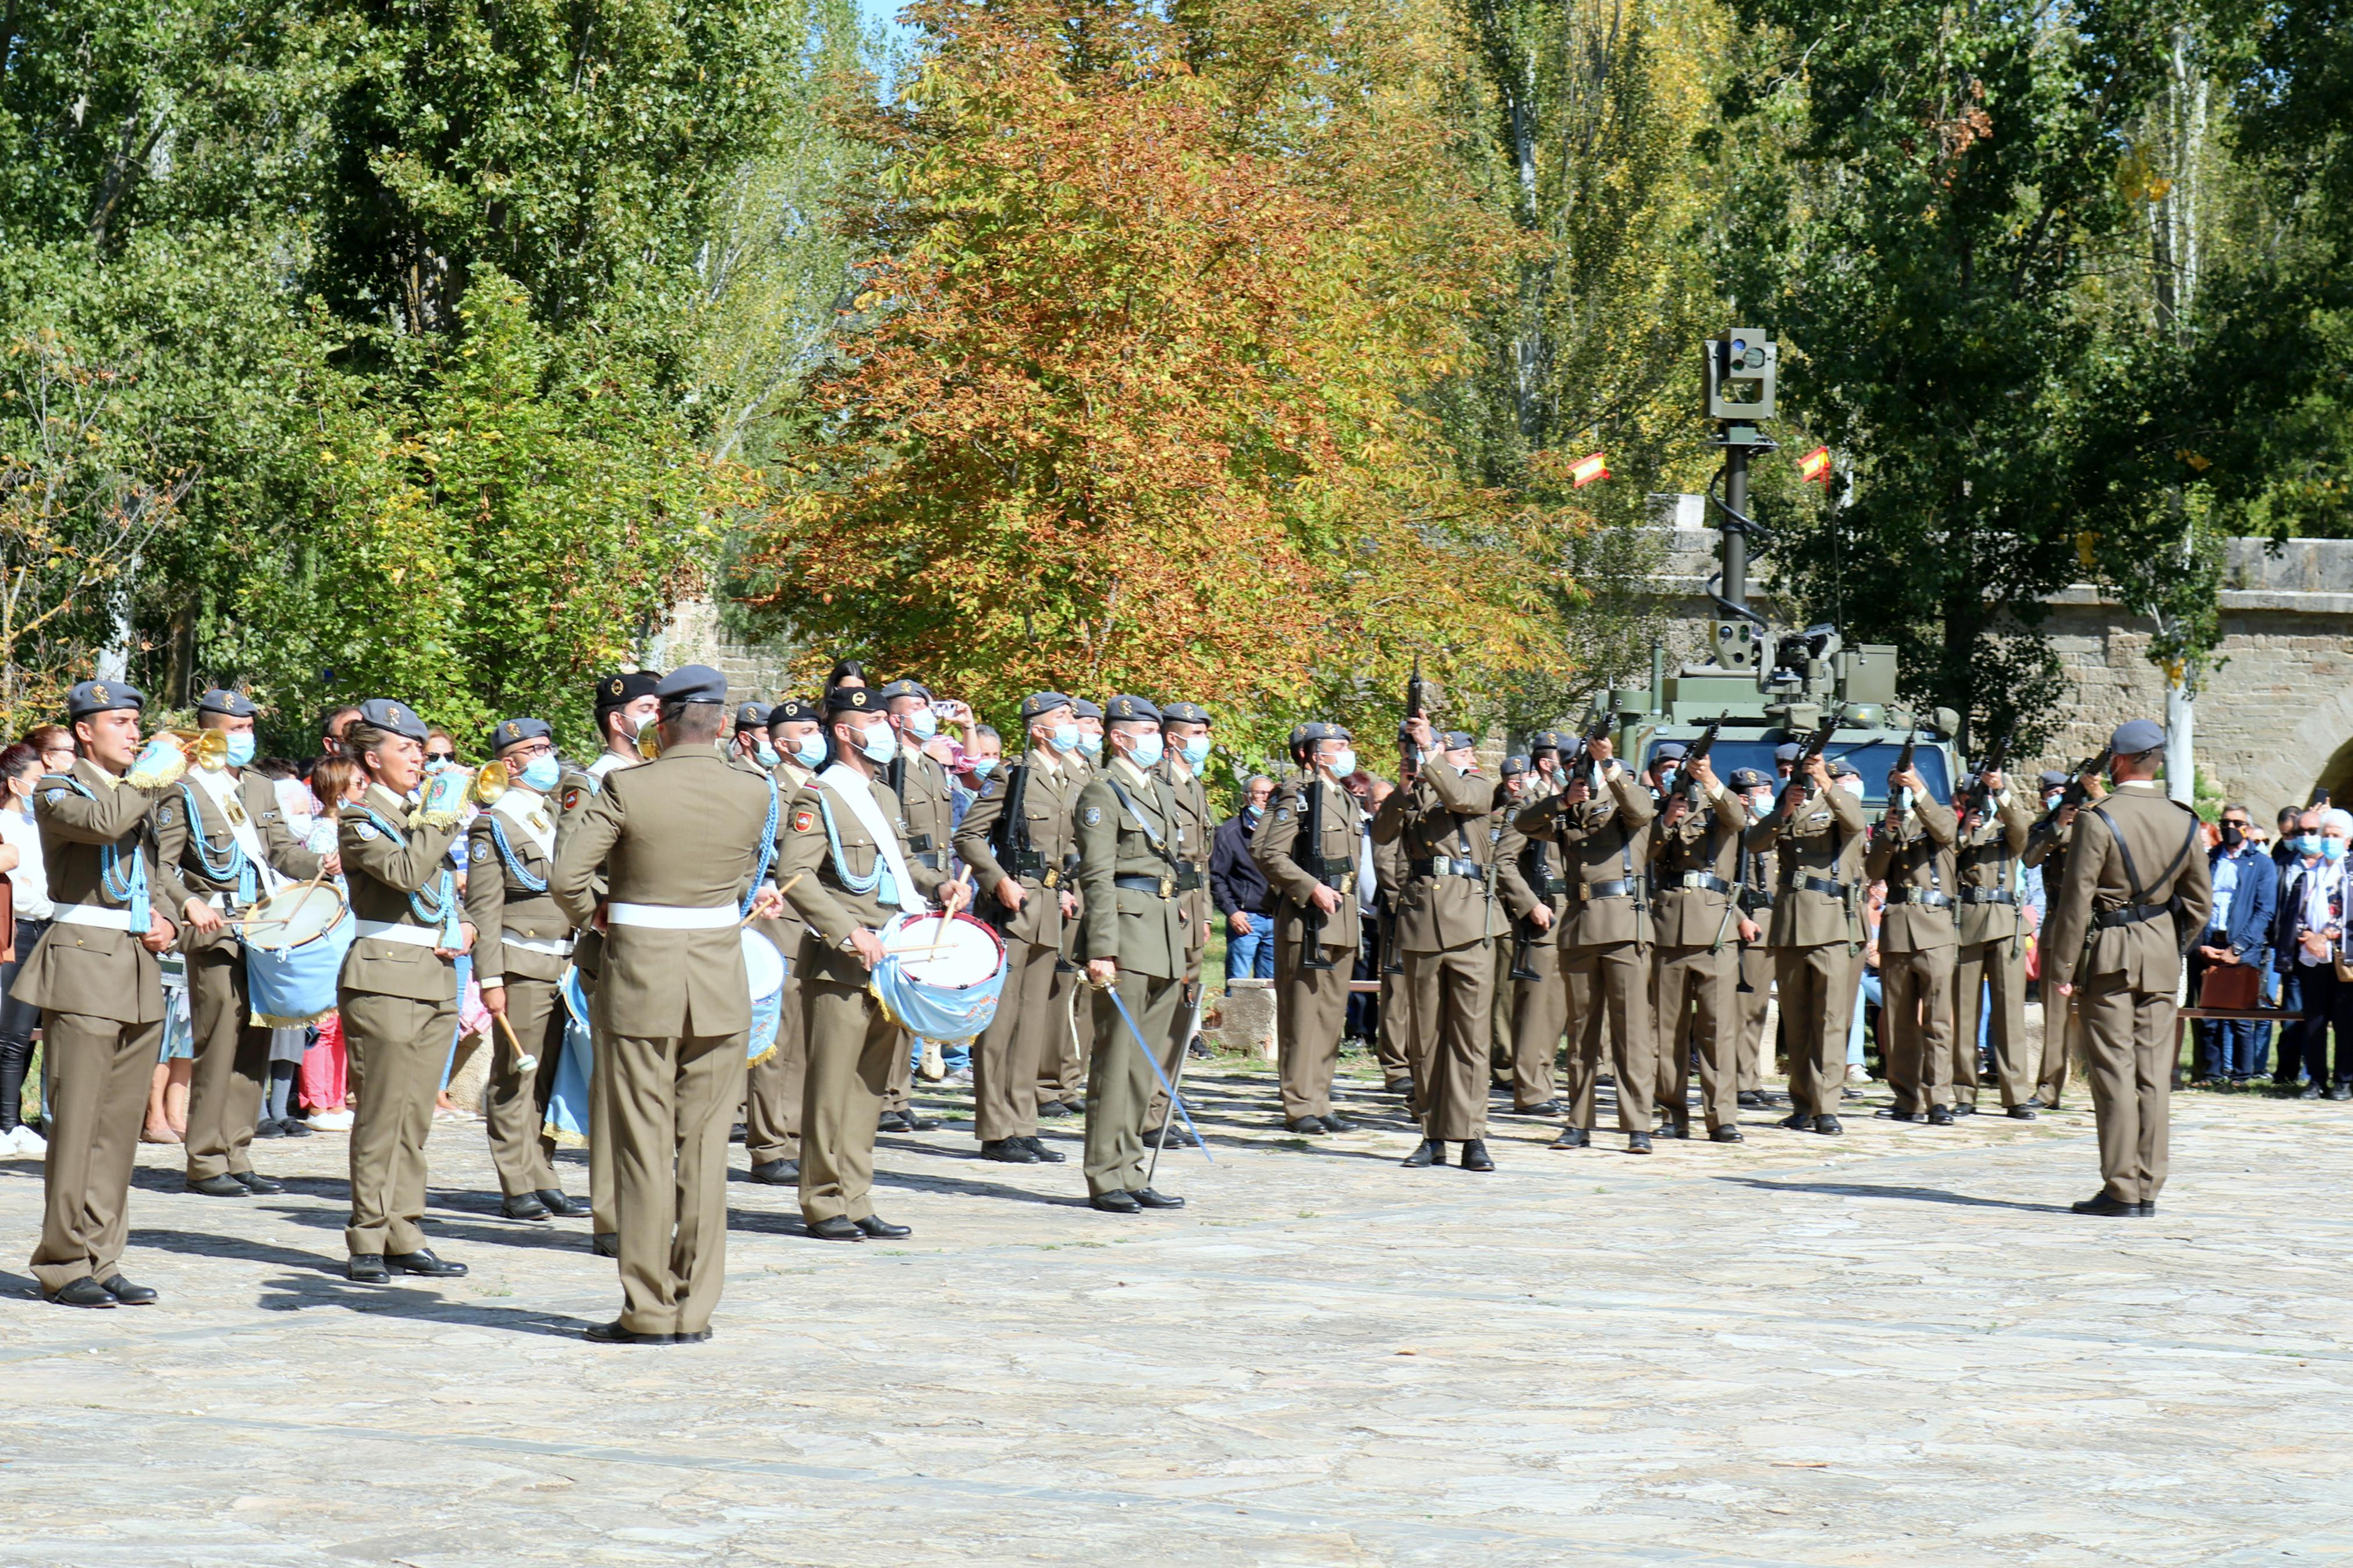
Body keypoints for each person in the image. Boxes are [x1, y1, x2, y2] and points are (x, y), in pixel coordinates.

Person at [549, 666, 786, 1343]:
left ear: (663, 721)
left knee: (644, 1148)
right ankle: (695, 1307)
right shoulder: (752, 789)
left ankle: (648, 1308)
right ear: (719, 724)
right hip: (717, 981)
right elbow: (741, 875)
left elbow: (567, 876)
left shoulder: (629, 786)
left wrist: (598, 916)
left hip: (641, 981)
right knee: (707, 1150)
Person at [22, 678, 203, 1307]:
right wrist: (150, 780)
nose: (133, 733)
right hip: (81, 967)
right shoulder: (58, 789)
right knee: (77, 1125)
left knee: (120, 1127)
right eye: (120, 722)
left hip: (134, 970)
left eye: (135, 722)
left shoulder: (142, 795)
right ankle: (62, 1259)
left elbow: (154, 877)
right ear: (83, 732)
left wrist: (173, 921)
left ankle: (103, 1255)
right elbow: (103, 825)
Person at [778, 684, 960, 1240]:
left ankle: (856, 1196)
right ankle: (823, 1200)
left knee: (868, 1087)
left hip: (894, 953)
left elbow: (902, 863)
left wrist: (941, 882)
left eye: (885, 718)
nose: (884, 728)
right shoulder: (820, 795)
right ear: (844, 731)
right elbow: (795, 876)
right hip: (843, 961)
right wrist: (847, 930)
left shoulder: (879, 793)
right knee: (832, 1087)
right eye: (873, 720)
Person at [160, 688, 330, 1199]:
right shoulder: (182, 787)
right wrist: (189, 902)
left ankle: (238, 1149)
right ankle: (205, 1158)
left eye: (249, 728)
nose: (245, 737)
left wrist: (322, 866)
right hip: (217, 926)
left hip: (265, 926)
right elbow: (162, 865)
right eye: (235, 730)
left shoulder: (257, 787)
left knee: (256, 1040)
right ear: (209, 731)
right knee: (219, 1042)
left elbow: (279, 849)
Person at [2047, 719, 2213, 1216]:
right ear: (2156, 761)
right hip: (2160, 955)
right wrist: (2168, 941)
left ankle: (2120, 1186)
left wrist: (2062, 968)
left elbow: (2076, 899)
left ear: (2117, 761)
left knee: (2113, 1071)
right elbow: (2199, 904)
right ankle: (2148, 1184)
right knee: (2152, 1073)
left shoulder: (2098, 818)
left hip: (2109, 957)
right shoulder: (2183, 819)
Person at [336, 699, 475, 1283]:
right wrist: (440, 819)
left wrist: (465, 922)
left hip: (434, 976)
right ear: (374, 758)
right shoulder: (359, 817)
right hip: (385, 975)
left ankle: (405, 1231)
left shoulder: (423, 814)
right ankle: (368, 1235)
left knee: (415, 1117)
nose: (419, 758)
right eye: (406, 749)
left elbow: (441, 890)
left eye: (421, 749)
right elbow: (402, 873)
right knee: (381, 1115)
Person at [556, 667, 663, 1258]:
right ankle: (613, 1215)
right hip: (618, 944)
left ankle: (652, 1203)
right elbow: (571, 865)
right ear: (619, 719)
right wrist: (601, 913)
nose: (659, 716)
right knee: (617, 1084)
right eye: (650, 706)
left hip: (671, 946)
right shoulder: (591, 781)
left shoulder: (663, 777)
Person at [1071, 696, 1188, 1212]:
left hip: (1161, 930)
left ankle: (1132, 1166)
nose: (1155, 740)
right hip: (1126, 930)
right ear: (1119, 737)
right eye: (1144, 731)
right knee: (1116, 1058)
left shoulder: (1157, 789)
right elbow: (1095, 874)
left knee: (1144, 1062)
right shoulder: (1102, 791)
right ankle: (1104, 1172)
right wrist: (1101, 948)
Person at [955, 692, 1083, 1164]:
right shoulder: (1012, 774)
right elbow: (968, 836)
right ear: (1038, 729)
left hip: (1049, 908)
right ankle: (995, 1127)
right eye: (1060, 718)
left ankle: (1023, 1124)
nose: (1069, 724)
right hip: (1012, 907)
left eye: (1071, 717)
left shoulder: (1072, 775)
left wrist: (1067, 887)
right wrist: (998, 879)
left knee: (1032, 1025)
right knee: (1002, 1023)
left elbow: (1070, 848)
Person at [1517, 727, 1657, 1154]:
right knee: (1580, 1033)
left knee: (1630, 1029)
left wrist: (1609, 763)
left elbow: (1639, 808)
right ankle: (1578, 1122)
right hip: (1578, 926)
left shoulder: (1628, 806)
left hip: (1622, 926)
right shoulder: (1569, 811)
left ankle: (1637, 1125)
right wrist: (1563, 800)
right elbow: (1523, 822)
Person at [465, 717, 583, 1222]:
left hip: (566, 961)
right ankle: (516, 1181)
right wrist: (490, 978)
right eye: (534, 750)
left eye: (548, 747)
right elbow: (485, 908)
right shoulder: (494, 823)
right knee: (517, 1073)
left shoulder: (553, 813)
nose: (547, 757)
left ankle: (543, 1171)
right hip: (521, 962)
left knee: (551, 1076)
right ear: (509, 763)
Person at [1376, 720, 1503, 1169]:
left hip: (1469, 918)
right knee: (1425, 1036)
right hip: (1421, 921)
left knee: (1468, 1035)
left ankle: (1471, 1135)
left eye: (1439, 749)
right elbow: (1382, 833)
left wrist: (1428, 752)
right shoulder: (1416, 791)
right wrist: (1402, 788)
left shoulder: (1479, 786)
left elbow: (1459, 799)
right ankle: (1431, 1133)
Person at [1253, 723, 1365, 1135]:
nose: (1347, 751)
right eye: (1339, 746)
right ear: (1315, 753)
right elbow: (1268, 853)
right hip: (1307, 919)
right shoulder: (1296, 795)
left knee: (1329, 1017)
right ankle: (1299, 1104)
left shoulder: (1345, 798)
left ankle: (1320, 1098)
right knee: (1302, 1017)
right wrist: (1308, 887)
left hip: (1342, 917)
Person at [1749, 753, 1868, 1136]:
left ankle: (1826, 1105)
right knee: (1797, 1021)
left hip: (1832, 923)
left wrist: (1827, 784)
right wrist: (1783, 809)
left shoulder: (1840, 800)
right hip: (1790, 923)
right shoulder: (1791, 804)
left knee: (1830, 1020)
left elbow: (1854, 822)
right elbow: (1753, 842)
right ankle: (1801, 1103)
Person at [1646, 752, 1749, 1141]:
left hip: (1715, 928)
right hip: (1669, 926)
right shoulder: (1661, 808)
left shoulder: (1719, 803)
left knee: (1717, 1027)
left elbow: (1737, 821)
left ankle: (1721, 1116)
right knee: (1667, 1030)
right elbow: (1644, 853)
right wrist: (1666, 821)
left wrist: (1709, 779)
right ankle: (1672, 1113)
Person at [743, 698, 822, 1186]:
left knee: (803, 1035)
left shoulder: (821, 786)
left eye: (818, 728)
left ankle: (791, 1132)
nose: (816, 738)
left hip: (813, 918)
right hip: (776, 914)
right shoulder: (765, 788)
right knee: (777, 1032)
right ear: (779, 742)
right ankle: (771, 1144)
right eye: (805, 730)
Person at [877, 678, 953, 1135]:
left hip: (932, 884)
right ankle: (885, 1094)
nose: (928, 712)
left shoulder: (930, 765)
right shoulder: (884, 767)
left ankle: (899, 1093)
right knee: (893, 986)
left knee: (917, 988)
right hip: (899, 885)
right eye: (917, 706)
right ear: (895, 717)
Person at [1867, 754, 1960, 1124]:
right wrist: (1888, 835)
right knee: (1900, 1022)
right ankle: (1906, 1099)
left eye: (1903, 784)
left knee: (1937, 1019)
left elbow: (1946, 833)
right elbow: (1873, 871)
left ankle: (1938, 1099)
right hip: (1897, 929)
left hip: (1935, 928)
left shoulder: (1939, 817)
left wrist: (1918, 787)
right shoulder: (1887, 825)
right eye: (1895, 785)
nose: (1900, 790)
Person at [1145, 701, 1215, 1142]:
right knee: (1160, 1007)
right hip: (1167, 903)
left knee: (1181, 1013)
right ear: (1173, 738)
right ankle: (1148, 1108)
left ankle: (1163, 1098)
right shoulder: (1156, 782)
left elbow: (1201, 860)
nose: (1205, 740)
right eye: (1197, 733)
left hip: (1193, 906)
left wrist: (1205, 914)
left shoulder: (1194, 785)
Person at [1951, 762, 2035, 1117]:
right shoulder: (1958, 831)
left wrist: (2001, 790)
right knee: (1966, 1013)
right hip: (1967, 924)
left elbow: (2022, 831)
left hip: (2005, 924)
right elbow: (1945, 859)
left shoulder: (2006, 827)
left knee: (2009, 1013)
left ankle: (2015, 1094)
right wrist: (1963, 831)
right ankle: (1964, 1093)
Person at [1496, 758, 1568, 1117]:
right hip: (1540, 914)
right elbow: (1504, 862)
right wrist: (1529, 905)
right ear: (1548, 764)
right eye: (1570, 763)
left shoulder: (1575, 804)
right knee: (1535, 1008)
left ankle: (1545, 1082)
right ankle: (1529, 1090)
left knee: (1556, 1010)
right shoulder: (1526, 805)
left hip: (1571, 911)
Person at [2024, 767, 2099, 1108]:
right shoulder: (2045, 827)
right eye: (2052, 794)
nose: (2057, 797)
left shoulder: (2098, 817)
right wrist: (2060, 825)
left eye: (2063, 792)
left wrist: (2095, 796)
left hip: (2097, 927)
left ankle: (2107, 1086)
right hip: (2059, 925)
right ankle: (2049, 1087)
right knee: (2054, 1012)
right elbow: (2030, 856)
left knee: (2102, 1009)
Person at [2190, 802, 2277, 1084]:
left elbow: (2265, 909)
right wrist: (2201, 943)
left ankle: (2242, 1074)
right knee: (2208, 1014)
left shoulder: (2262, 864)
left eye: (2236, 823)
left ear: (2248, 829)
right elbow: (2198, 903)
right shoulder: (2209, 859)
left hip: (2243, 946)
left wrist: (2238, 947)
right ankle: (2212, 1072)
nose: (2230, 828)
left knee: (2242, 1016)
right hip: (2210, 942)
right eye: (2225, 823)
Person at [2274, 807, 2350, 1099]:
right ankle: (2316, 1079)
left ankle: (2344, 1080)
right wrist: (2307, 935)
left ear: (2348, 840)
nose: (2329, 840)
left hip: (2344, 957)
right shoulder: (2309, 874)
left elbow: (2347, 914)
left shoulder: (2351, 872)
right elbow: (2297, 912)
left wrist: (2326, 935)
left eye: (2335, 835)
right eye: (2325, 835)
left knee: (2345, 1021)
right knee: (2315, 1019)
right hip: (2313, 956)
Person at [0, 742, 52, 1154]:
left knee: (25, 1034)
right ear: (15, 783)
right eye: (37, 780)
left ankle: (13, 1119)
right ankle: (5, 1123)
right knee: (10, 1032)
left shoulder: (40, 824)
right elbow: (19, 890)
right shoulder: (6, 822)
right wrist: (36, 895)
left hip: (43, 927)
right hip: (16, 930)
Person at [1724, 767, 1779, 1107]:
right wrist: (1741, 918)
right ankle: (1739, 1081)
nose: (1769, 795)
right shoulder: (1734, 831)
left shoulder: (1768, 828)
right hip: (1749, 922)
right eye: (1764, 790)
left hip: (1774, 921)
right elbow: (1722, 882)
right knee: (1742, 1008)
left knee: (1757, 1008)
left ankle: (1751, 1077)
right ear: (1744, 796)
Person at [1212, 776, 1277, 984]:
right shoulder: (1229, 833)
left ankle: (1265, 1019)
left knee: (1269, 988)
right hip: (1246, 920)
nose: (1266, 799)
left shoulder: (1281, 831)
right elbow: (1215, 877)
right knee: (1238, 984)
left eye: (1271, 794)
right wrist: (1232, 912)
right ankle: (1233, 1018)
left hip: (1276, 919)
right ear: (1246, 798)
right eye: (1260, 793)